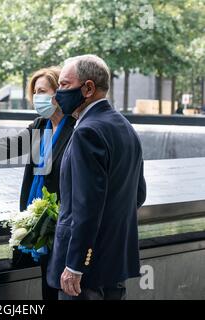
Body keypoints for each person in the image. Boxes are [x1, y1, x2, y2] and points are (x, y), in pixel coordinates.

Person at [47, 54, 146, 300]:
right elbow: (138, 195)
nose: (57, 93)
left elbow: (86, 208)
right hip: (115, 266)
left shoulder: (87, 132)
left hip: (84, 275)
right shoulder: (125, 127)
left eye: (64, 85)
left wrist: (76, 265)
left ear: (88, 88)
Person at [0, 67, 76, 300]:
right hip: (41, 231)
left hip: (64, 230)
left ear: (59, 93)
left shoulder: (77, 128)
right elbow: (8, 146)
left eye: (42, 91)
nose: (37, 97)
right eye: (34, 92)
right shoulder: (40, 126)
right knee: (48, 291)